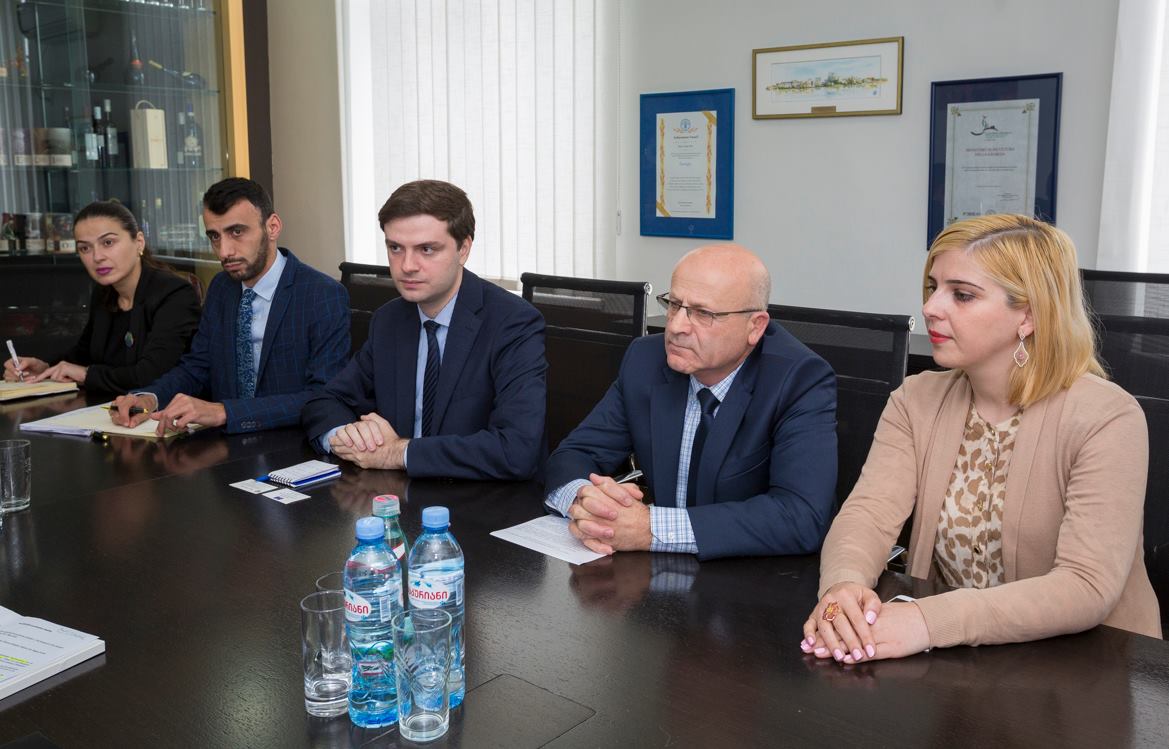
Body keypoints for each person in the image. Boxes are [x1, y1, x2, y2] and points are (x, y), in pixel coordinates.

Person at [802, 214, 1161, 666]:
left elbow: (1085, 584)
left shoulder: (1107, 417)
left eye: (962, 294)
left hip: (1087, 666)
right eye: (933, 287)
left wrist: (927, 620)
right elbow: (868, 515)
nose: (931, 307)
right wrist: (844, 588)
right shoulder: (916, 399)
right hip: (958, 667)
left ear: (1028, 315)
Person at [544, 244, 838, 560]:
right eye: (674, 305)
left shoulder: (799, 380)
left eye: (702, 313)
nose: (675, 326)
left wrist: (650, 528)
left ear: (755, 327)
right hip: (654, 573)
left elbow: (801, 516)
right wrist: (586, 503)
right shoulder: (645, 360)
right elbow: (575, 454)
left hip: (750, 576)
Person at [301, 179, 546, 480]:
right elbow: (325, 401)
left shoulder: (513, 322)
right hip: (396, 492)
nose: (407, 266)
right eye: (395, 248)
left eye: (427, 249)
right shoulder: (389, 320)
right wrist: (347, 437)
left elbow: (516, 450)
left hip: (478, 498)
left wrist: (397, 453)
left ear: (464, 249)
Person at [109, 178, 350, 435]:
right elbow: (197, 367)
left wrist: (226, 412)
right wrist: (150, 398)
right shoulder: (221, 288)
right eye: (215, 236)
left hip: (291, 442)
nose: (224, 252)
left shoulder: (322, 295)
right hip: (224, 444)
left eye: (236, 232)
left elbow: (322, 396)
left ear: (272, 227)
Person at [3, 201, 200, 393]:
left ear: (139, 242)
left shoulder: (175, 294)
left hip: (163, 410)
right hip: (108, 407)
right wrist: (44, 368)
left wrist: (86, 374)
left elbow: (151, 375)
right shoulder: (105, 292)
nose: (97, 257)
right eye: (85, 248)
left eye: (108, 242)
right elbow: (83, 355)